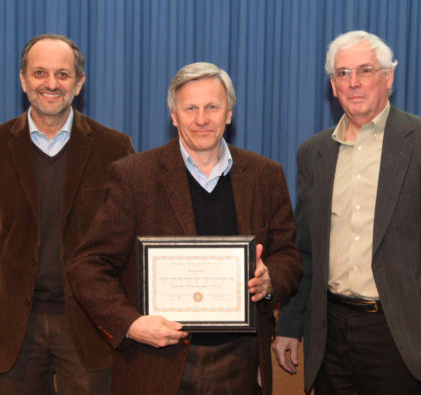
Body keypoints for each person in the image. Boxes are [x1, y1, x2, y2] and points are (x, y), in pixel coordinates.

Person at [66, 62, 301, 394]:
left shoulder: (265, 176)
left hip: (240, 361)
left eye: (212, 107)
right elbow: (87, 266)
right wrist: (131, 324)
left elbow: (288, 256)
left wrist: (270, 280)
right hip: (155, 360)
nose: (201, 119)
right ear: (173, 116)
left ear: (229, 114)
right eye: (190, 108)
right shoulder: (134, 176)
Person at [272, 30, 421, 394]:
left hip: (402, 333)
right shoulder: (314, 153)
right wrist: (290, 325)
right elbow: (305, 251)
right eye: (342, 73)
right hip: (330, 334)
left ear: (389, 77)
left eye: (365, 70)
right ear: (332, 85)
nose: (353, 83)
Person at [0, 33, 135, 393]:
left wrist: (127, 321)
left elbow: (128, 243)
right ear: (23, 80)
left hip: (89, 324)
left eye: (63, 75)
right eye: (39, 73)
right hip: (12, 328)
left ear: (79, 83)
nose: (51, 84)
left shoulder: (114, 148)